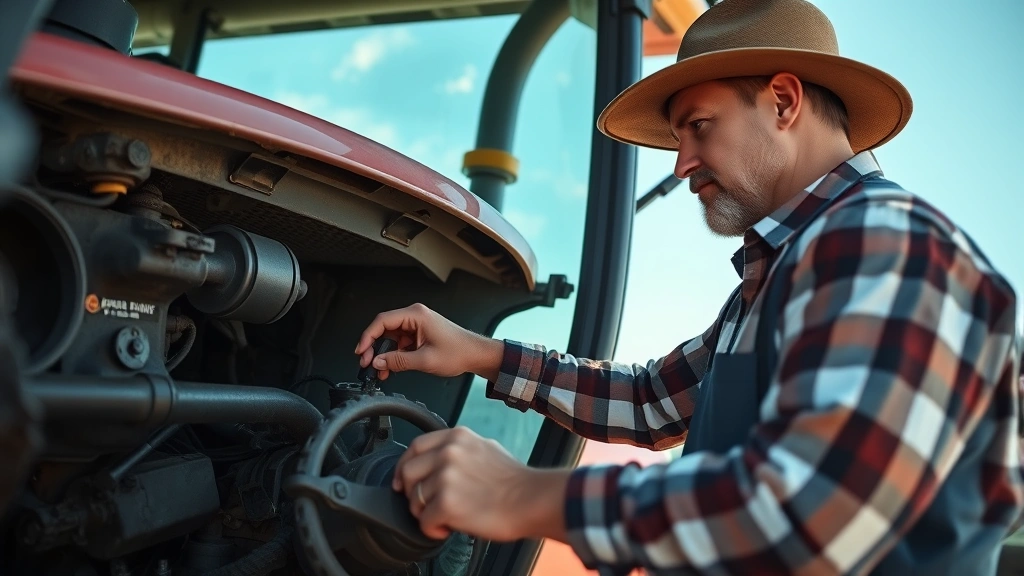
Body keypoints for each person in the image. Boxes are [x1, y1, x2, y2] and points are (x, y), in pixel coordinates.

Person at [355, 0, 1023, 573]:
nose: (681, 165)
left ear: (784, 102)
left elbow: (811, 517)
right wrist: (486, 354)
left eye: (699, 127)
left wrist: (520, 496)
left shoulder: (886, 244)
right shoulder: (788, 269)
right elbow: (652, 401)